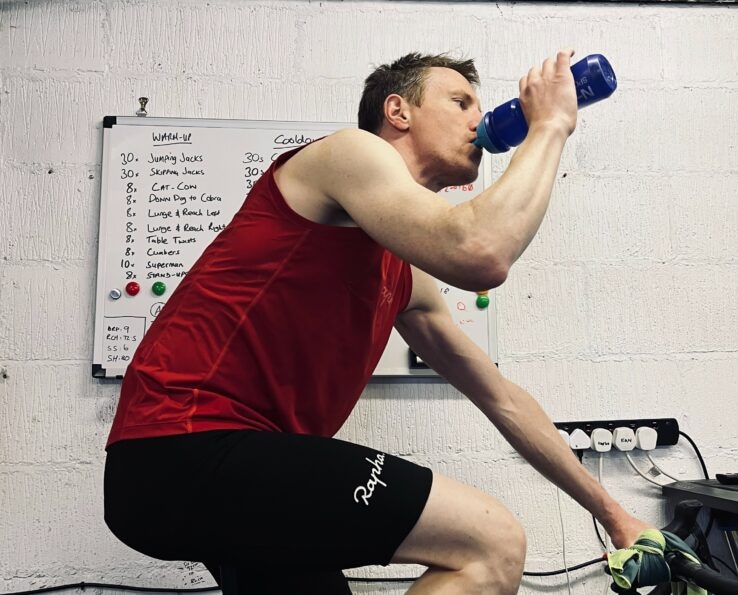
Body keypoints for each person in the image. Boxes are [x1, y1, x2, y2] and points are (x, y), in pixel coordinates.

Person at [104, 49, 648, 594]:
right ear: (398, 111)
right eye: (459, 102)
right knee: (492, 543)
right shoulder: (346, 153)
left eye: (478, 106)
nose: (475, 119)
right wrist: (550, 124)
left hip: (241, 470)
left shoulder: (406, 275)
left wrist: (613, 513)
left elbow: (501, 397)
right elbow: (481, 251)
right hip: (184, 447)